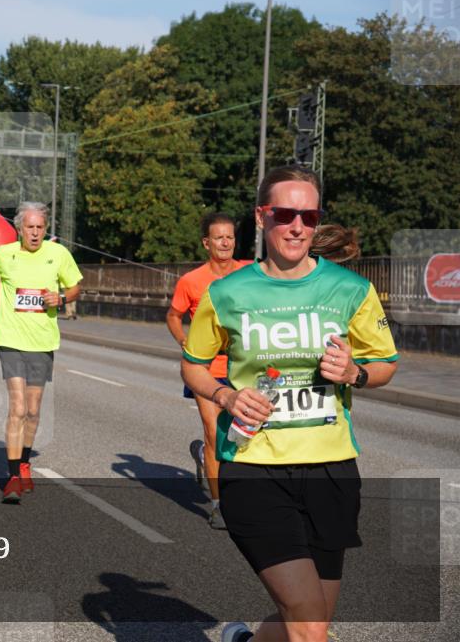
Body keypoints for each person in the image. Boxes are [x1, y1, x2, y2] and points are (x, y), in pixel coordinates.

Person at [181, 166, 398, 642]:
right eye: (284, 213)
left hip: (331, 468)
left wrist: (355, 373)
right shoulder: (226, 292)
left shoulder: (350, 289)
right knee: (310, 627)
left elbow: (385, 363)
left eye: (308, 214)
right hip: (254, 468)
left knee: (314, 620)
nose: (297, 225)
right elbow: (193, 365)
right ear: (262, 217)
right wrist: (227, 395)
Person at [0, 201, 82, 503]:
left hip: (43, 341)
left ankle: (23, 462)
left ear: (45, 229)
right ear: (19, 229)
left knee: (33, 411)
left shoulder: (58, 254)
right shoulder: (5, 254)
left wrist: (59, 297)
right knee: (18, 408)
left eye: (40, 228)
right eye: (30, 227)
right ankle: (11, 478)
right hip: (10, 339)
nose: (35, 233)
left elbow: (75, 287)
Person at [166, 212, 250, 530]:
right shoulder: (191, 281)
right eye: (219, 237)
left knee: (242, 436)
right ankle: (218, 506)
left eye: (230, 236)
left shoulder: (251, 274)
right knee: (215, 432)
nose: (226, 242)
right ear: (207, 243)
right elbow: (173, 315)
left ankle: (202, 454)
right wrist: (184, 339)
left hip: (244, 367)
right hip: (206, 369)